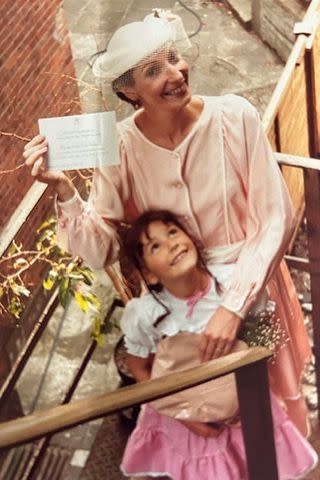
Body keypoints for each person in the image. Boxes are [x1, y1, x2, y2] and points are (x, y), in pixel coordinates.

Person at [23, 12, 311, 436]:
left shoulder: (235, 117)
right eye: (154, 70)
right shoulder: (119, 146)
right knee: (210, 414)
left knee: (262, 412)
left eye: (174, 57)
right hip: (181, 317)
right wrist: (65, 190)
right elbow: (102, 247)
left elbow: (275, 217)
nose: (176, 73)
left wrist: (233, 305)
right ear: (129, 91)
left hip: (253, 291)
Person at [118, 209, 317, 480]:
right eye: (155, 245)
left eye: (173, 232)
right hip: (187, 413)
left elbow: (259, 337)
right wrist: (184, 418)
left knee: (258, 463)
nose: (172, 243)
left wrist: (260, 394)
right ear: (149, 275)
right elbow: (139, 368)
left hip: (243, 404)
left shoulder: (232, 283)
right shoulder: (147, 314)